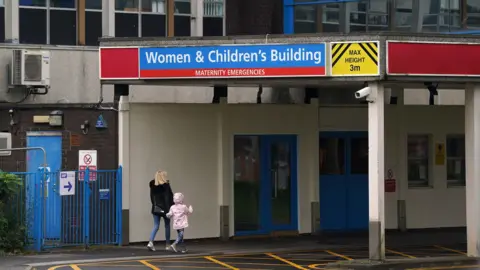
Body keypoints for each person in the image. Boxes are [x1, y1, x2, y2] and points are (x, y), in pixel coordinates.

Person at [147, 170, 174, 251]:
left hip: (156, 208)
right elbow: (168, 197)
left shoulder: (152, 186)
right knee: (167, 226)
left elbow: (152, 198)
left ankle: (150, 242)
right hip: (165, 209)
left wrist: (155, 206)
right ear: (163, 177)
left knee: (156, 225)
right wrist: (170, 208)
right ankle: (167, 244)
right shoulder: (166, 186)